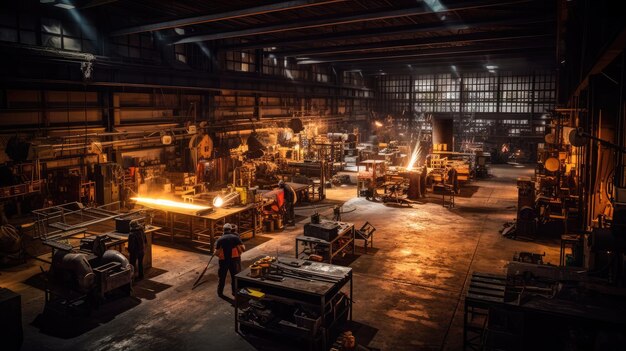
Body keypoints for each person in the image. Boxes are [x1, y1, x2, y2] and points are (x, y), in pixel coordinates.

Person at [215, 223, 245, 297]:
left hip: (223, 261)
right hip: (234, 261)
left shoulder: (220, 239)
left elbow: (216, 253)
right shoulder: (235, 237)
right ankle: (234, 292)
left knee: (222, 277)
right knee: (234, 277)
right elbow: (243, 249)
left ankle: (220, 293)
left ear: (223, 230)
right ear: (231, 229)